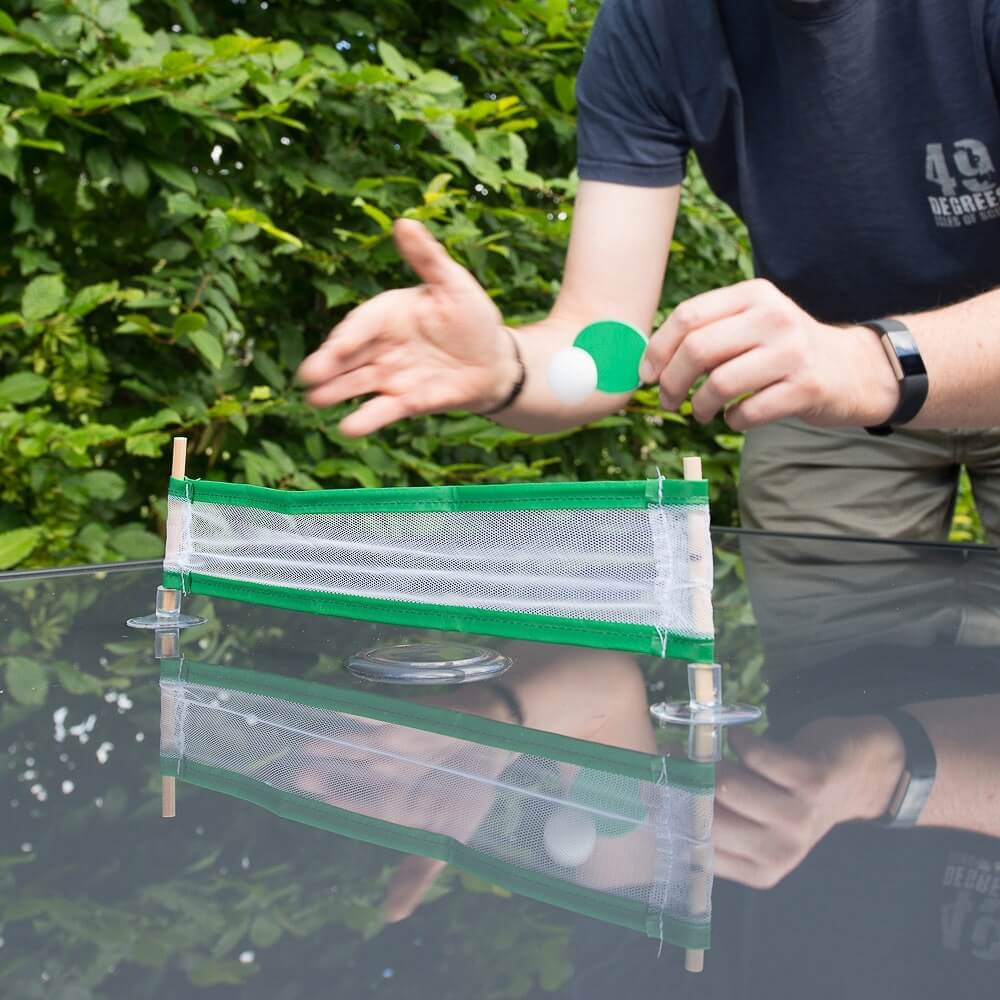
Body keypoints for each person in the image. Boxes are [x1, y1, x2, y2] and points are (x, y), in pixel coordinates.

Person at [299, 0, 1000, 540]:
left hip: (866, 361)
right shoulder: (653, 22)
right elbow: (604, 340)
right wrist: (507, 366)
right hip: (822, 394)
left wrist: (871, 362)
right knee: (840, 715)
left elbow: (862, 366)